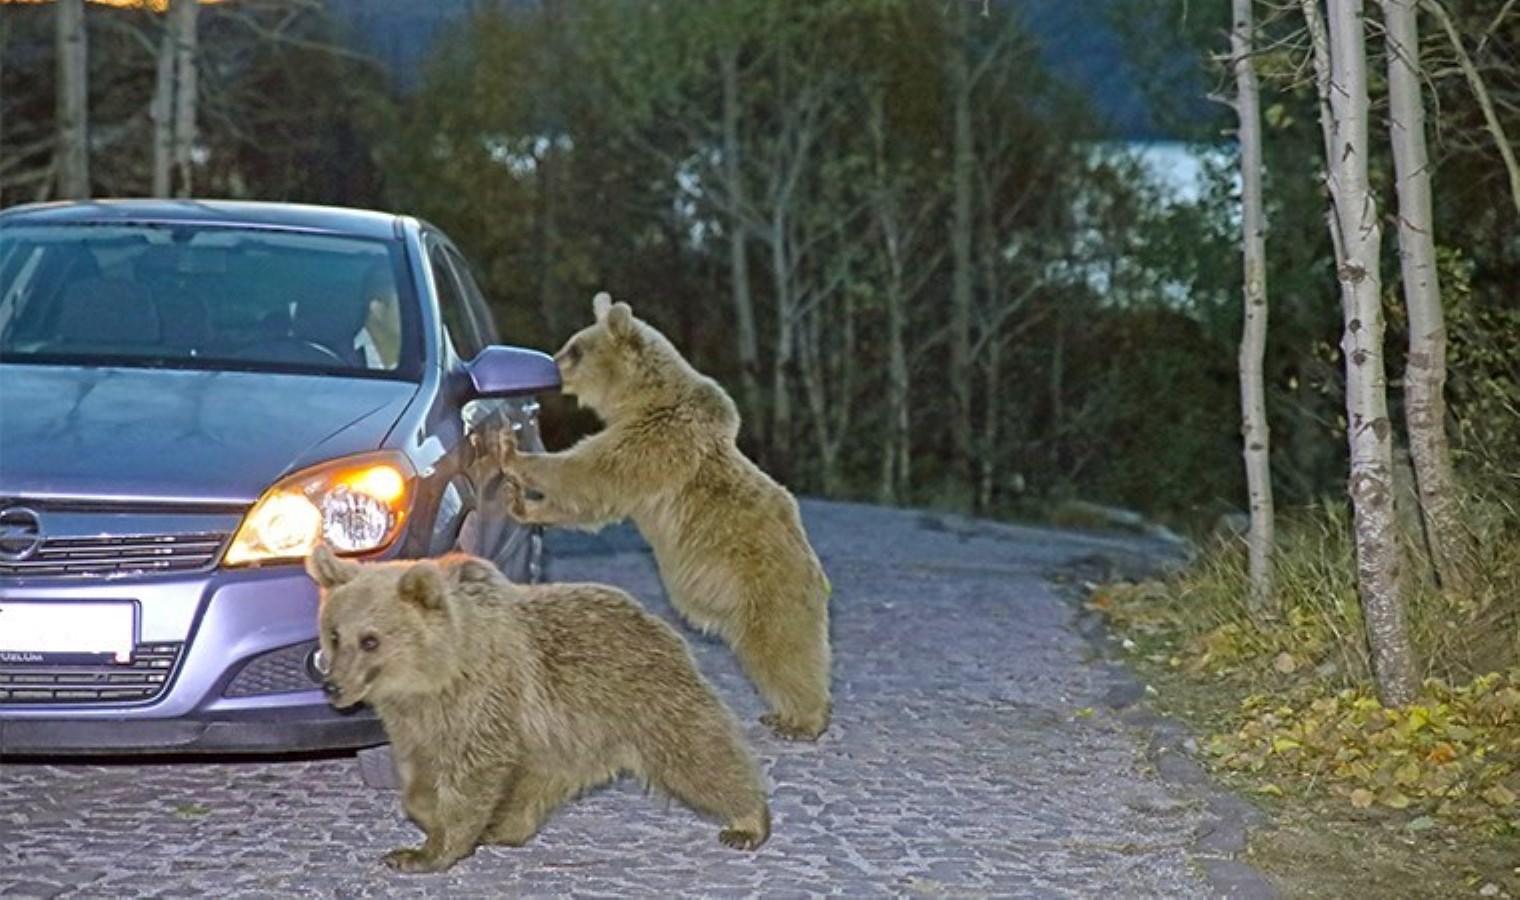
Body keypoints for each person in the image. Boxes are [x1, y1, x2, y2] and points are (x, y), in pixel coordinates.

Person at [354, 259, 401, 370]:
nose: (415, 315)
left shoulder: (430, 361)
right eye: (405, 304)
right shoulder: (338, 362)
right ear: (377, 309)